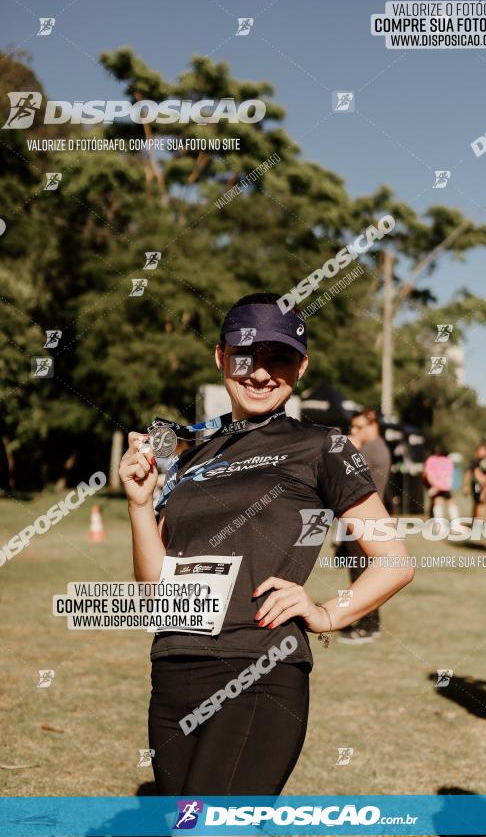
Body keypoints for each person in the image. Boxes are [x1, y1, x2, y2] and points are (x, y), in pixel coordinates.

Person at [118, 292, 414, 796]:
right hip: (173, 669)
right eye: (246, 355)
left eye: (280, 357)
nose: (260, 373)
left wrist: (325, 613)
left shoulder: (325, 447)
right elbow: (156, 596)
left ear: (301, 367)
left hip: (260, 667)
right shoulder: (190, 457)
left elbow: (394, 562)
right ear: (221, 356)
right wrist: (140, 506)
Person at [336, 409, 391, 644]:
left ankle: (368, 625)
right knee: (360, 573)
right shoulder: (374, 447)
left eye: (359, 427)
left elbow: (346, 476)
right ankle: (367, 622)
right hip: (363, 520)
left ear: (372, 425)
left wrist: (349, 449)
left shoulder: (371, 449)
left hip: (363, 520)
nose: (354, 432)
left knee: (362, 576)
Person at [423, 447, 458, 521]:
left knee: (438, 503)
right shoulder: (447, 460)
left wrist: (435, 487)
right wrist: (437, 486)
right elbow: (446, 475)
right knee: (450, 503)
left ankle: (439, 525)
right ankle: (455, 525)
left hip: (435, 486)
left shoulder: (430, 459)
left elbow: (429, 475)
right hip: (443, 486)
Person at [465, 443, 486, 519]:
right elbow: (469, 473)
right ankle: (477, 521)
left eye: (484, 450)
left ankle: (476, 521)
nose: (482, 452)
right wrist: (465, 485)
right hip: (477, 484)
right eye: (481, 450)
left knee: (481, 503)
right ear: (477, 451)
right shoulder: (475, 461)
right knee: (478, 503)